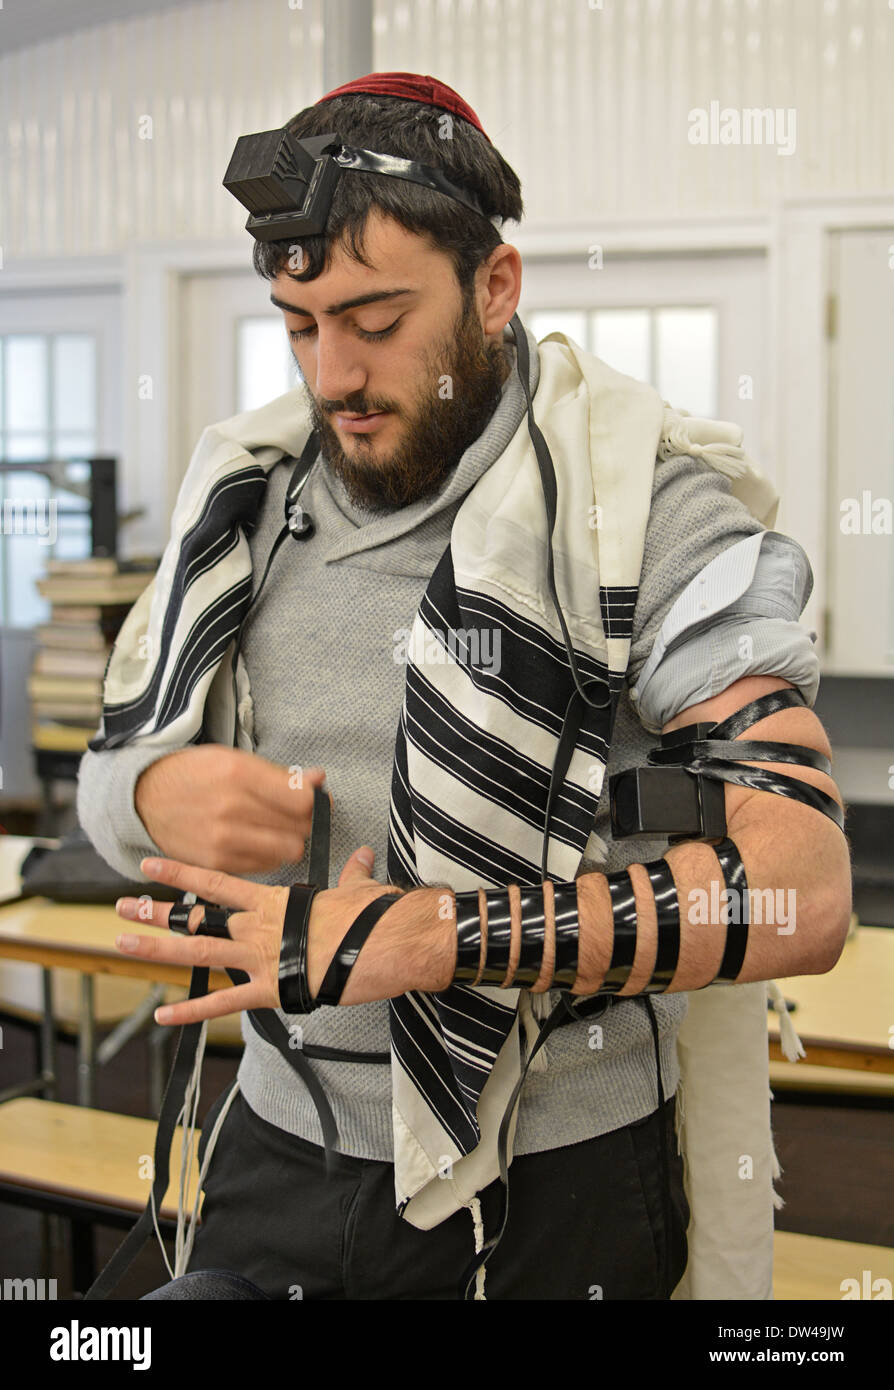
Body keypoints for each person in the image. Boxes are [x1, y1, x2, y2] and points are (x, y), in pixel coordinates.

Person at [77, 72, 851, 1301]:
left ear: (496, 287)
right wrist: (152, 793)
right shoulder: (243, 508)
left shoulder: (640, 507)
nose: (334, 374)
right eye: (299, 323)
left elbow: (805, 893)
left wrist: (440, 936)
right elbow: (107, 779)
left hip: (560, 1180)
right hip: (279, 1148)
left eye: (378, 322)